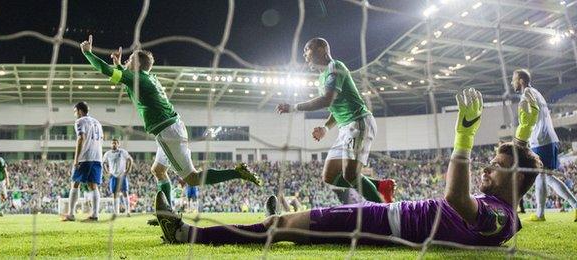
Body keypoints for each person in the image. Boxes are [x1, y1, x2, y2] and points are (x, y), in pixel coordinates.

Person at [156, 88, 542, 247]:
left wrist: (464, 138)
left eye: (496, 166)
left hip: (382, 224)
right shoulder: (508, 213)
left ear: (515, 180)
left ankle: (190, 235)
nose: (487, 169)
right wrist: (522, 135)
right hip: (388, 218)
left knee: (281, 229)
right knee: (289, 223)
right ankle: (287, 218)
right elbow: (516, 176)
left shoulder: (499, 218)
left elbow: (457, 198)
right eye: (491, 161)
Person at [79, 35, 262, 218]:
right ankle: (167, 213)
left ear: (138, 65)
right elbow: (125, 78)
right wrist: (120, 65)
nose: (127, 60)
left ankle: (237, 173)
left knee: (192, 179)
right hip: (171, 128)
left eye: (131, 59)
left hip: (168, 133)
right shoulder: (146, 78)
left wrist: (87, 53)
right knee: (158, 170)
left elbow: (104, 69)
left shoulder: (139, 80)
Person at [276, 38, 394, 203]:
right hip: (346, 127)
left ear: (322, 49)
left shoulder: (335, 67)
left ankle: (387, 214)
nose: (304, 55)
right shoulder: (322, 79)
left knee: (350, 174)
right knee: (329, 176)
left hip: (359, 122)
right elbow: (335, 109)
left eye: (307, 50)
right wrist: (325, 128)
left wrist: (293, 108)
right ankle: (381, 186)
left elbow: (327, 100)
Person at [511, 69, 577, 222]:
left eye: (514, 79)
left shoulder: (527, 94)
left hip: (541, 140)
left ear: (521, 81)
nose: (512, 82)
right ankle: (542, 213)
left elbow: (528, 120)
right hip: (545, 139)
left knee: (543, 175)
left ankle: (545, 213)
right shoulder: (535, 92)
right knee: (543, 176)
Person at [62, 101, 104, 222]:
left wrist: (76, 158)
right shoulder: (97, 123)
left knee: (75, 183)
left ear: (80, 111)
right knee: (93, 185)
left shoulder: (80, 121)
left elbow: (81, 138)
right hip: (97, 157)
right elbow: (101, 139)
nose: (75, 114)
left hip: (85, 157)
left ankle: (70, 214)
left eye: (75, 111)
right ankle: (95, 215)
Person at [103, 138, 134, 216]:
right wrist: (107, 172)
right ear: (111, 144)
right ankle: (116, 212)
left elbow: (130, 159)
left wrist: (128, 170)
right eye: (112, 143)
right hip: (113, 175)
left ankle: (128, 211)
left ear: (118, 144)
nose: (114, 144)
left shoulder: (122, 152)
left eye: (115, 143)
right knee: (114, 194)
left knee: (125, 192)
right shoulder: (107, 153)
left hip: (121, 175)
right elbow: (103, 163)